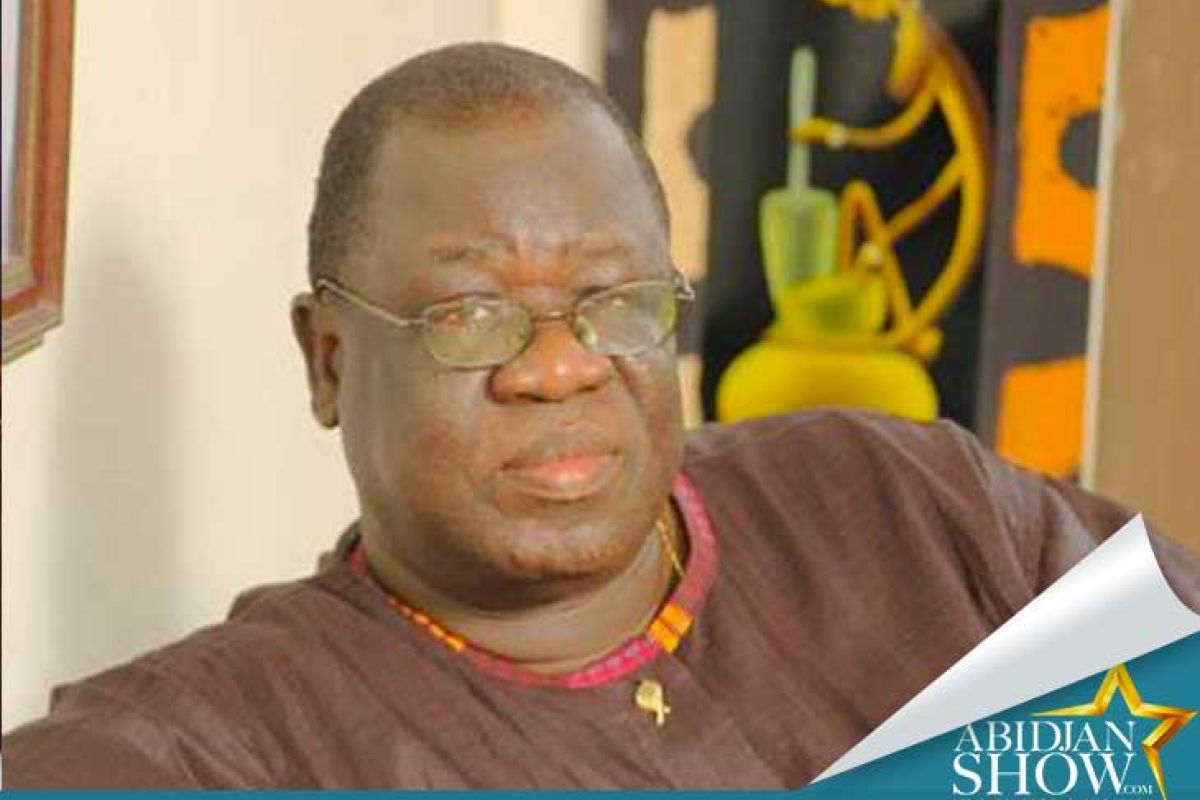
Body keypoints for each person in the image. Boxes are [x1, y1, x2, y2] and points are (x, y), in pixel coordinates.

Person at [4, 43, 1198, 789]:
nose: (560, 366)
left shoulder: (901, 503)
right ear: (328, 359)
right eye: (471, 315)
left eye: (617, 301)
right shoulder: (225, 744)